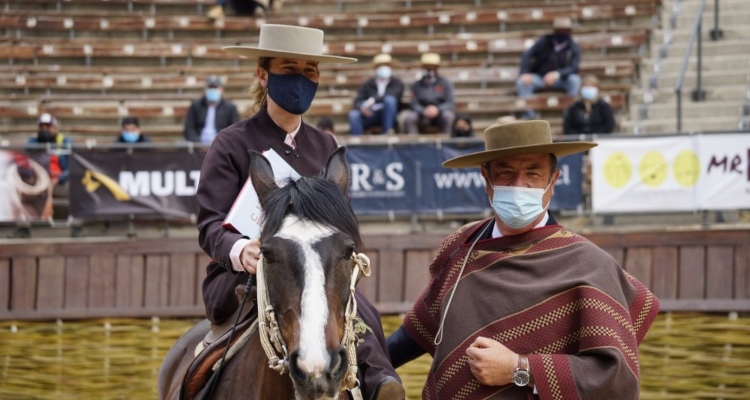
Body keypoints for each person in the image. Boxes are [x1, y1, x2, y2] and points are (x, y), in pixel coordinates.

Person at [198, 24, 405, 400]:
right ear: (263, 75)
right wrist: (240, 249)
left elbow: (343, 223)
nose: (302, 80)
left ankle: (380, 384)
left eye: (310, 71)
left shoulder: (326, 144)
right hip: (244, 276)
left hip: (319, 275)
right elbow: (209, 223)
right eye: (289, 69)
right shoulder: (231, 142)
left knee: (364, 310)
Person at [387, 120, 660, 399]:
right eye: (506, 173)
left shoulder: (589, 265)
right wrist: (363, 364)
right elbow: (419, 330)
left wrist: (519, 368)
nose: (519, 185)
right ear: (486, 180)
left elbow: (615, 381)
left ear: (553, 181)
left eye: (533, 173)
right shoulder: (462, 245)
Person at [516, 17, 582, 119]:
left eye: (565, 30)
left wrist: (557, 74)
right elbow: (527, 54)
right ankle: (529, 116)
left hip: (561, 80)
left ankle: (570, 114)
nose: (562, 33)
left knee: (575, 80)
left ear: (569, 31)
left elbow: (574, 67)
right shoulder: (544, 41)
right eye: (560, 30)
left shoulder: (573, 46)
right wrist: (524, 72)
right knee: (521, 82)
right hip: (540, 78)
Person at [348, 53, 404, 135]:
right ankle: (357, 143)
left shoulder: (396, 83)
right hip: (371, 114)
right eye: (380, 66)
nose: (384, 68)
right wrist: (362, 107)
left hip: (388, 114)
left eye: (386, 65)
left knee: (389, 100)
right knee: (354, 115)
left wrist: (373, 100)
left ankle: (387, 133)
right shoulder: (368, 84)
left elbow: (393, 95)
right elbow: (357, 100)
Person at [402, 52, 455, 134]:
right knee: (410, 117)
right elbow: (413, 103)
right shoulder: (416, 85)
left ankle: (447, 143)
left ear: (437, 68)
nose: (430, 69)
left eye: (433, 67)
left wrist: (437, 109)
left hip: (439, 114)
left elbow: (450, 103)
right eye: (427, 67)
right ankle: (413, 143)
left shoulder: (445, 83)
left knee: (448, 116)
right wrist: (423, 111)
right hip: (422, 115)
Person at [183, 75, 240, 145]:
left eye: (215, 87)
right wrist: (198, 143)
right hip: (199, 146)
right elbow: (189, 128)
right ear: (205, 89)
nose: (212, 90)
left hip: (221, 146)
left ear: (221, 89)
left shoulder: (230, 108)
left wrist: (221, 143)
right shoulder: (196, 106)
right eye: (210, 87)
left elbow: (234, 130)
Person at [25, 113, 72, 194]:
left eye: (48, 126)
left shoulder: (65, 142)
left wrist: (59, 179)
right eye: (41, 127)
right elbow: (26, 164)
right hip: (37, 182)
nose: (44, 129)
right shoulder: (31, 143)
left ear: (55, 128)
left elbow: (72, 167)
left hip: (60, 182)